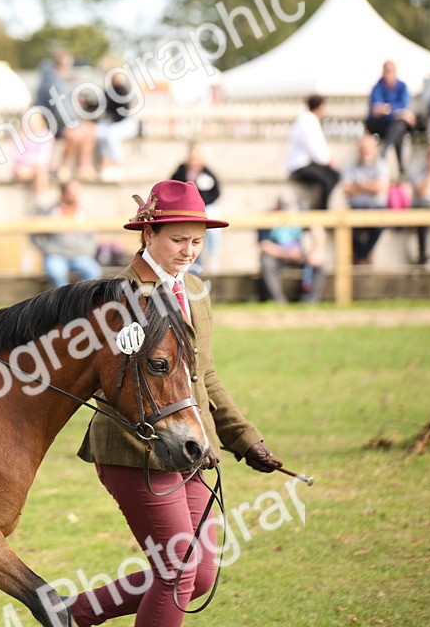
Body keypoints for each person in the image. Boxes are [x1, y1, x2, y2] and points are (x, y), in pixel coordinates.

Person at [69, 180, 281, 627]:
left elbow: (204, 376)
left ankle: (74, 613)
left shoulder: (196, 291)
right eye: (179, 240)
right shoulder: (116, 296)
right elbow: (102, 379)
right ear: (148, 235)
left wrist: (245, 440)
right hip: (137, 451)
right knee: (179, 572)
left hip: (190, 446)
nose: (189, 251)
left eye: (198, 242)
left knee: (198, 575)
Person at [36, 49, 95, 182]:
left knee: (89, 128)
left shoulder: (56, 78)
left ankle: (84, 166)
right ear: (62, 65)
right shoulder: (52, 82)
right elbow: (61, 111)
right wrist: (77, 124)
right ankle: (63, 167)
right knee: (76, 133)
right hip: (50, 123)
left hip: (59, 121)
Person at [30, 180, 101, 288]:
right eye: (72, 193)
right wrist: (46, 249)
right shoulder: (49, 212)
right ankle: (63, 302)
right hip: (56, 256)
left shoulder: (84, 213)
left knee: (93, 272)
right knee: (56, 273)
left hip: (80, 256)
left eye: (77, 193)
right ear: (63, 193)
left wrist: (87, 251)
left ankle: (83, 301)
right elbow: (34, 232)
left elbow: (91, 236)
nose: (75, 196)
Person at [257, 197, 326, 303]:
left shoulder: (300, 214)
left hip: (299, 254)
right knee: (266, 261)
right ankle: (278, 301)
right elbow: (264, 246)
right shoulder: (267, 217)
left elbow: (317, 228)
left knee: (318, 264)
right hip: (278, 256)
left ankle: (310, 301)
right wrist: (286, 254)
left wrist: (317, 250)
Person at [170, 141, 221, 273]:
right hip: (185, 209)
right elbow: (171, 187)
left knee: (212, 228)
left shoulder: (207, 172)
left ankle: (212, 255)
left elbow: (216, 192)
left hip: (204, 208)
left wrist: (202, 204)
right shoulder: (181, 171)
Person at [341, 133, 390, 265]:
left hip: (376, 207)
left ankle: (362, 255)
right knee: (347, 226)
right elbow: (346, 189)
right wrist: (369, 185)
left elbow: (380, 187)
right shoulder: (351, 165)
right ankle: (364, 255)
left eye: (368, 148)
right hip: (356, 207)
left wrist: (359, 185)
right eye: (363, 148)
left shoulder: (381, 164)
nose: (365, 151)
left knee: (380, 225)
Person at [286, 95, 340, 210]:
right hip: (301, 165)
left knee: (332, 175)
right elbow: (314, 146)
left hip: (303, 164)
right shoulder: (309, 121)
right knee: (329, 178)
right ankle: (321, 211)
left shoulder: (304, 119)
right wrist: (327, 160)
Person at [366, 60, 416, 174]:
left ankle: (385, 150)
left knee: (397, 127)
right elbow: (376, 110)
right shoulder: (377, 87)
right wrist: (397, 112)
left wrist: (387, 109)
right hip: (379, 124)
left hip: (393, 125)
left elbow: (402, 105)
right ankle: (401, 167)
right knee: (398, 127)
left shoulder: (402, 86)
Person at [95, 69, 139, 183]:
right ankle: (105, 163)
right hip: (113, 121)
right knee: (99, 132)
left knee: (111, 135)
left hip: (125, 122)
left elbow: (123, 112)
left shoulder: (121, 89)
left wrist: (111, 122)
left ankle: (118, 165)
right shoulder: (107, 90)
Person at [12, 109, 55, 197]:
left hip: (39, 167)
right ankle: (41, 198)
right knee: (37, 170)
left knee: (40, 169)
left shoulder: (46, 135)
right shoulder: (20, 136)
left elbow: (45, 155)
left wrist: (34, 164)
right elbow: (17, 156)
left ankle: (40, 196)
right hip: (23, 167)